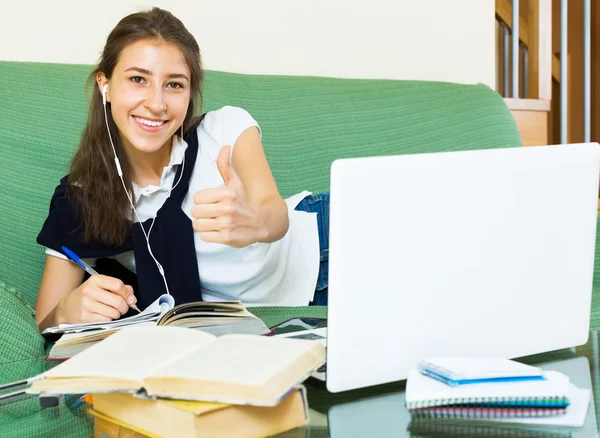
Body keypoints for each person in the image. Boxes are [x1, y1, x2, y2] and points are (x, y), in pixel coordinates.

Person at [35, 7, 329, 332]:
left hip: (324, 248)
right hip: (259, 317)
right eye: (137, 79)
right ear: (105, 85)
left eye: (174, 85)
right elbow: (46, 318)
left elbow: (275, 214)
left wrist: (257, 222)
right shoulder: (80, 199)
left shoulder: (224, 130)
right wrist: (67, 309)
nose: (157, 103)